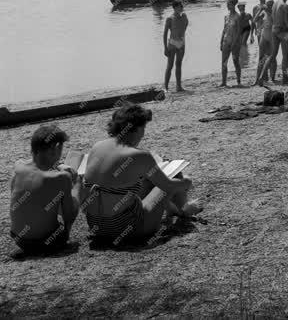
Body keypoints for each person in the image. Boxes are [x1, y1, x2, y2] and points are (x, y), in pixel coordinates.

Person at [81, 102, 201, 245]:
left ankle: (174, 210)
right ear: (136, 129)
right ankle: (184, 210)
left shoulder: (97, 146)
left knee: (138, 183)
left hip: (97, 227)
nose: (143, 134)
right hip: (130, 229)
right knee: (175, 177)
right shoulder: (139, 156)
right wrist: (186, 182)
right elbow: (167, 186)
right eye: (143, 128)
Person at [9, 124, 81, 253]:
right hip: (46, 242)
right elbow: (69, 215)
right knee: (75, 189)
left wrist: (58, 165)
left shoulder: (18, 166)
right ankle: (65, 240)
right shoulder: (62, 178)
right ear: (56, 148)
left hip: (19, 239)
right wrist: (76, 183)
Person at [163, 0, 189, 92]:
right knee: (169, 66)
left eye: (182, 6)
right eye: (180, 6)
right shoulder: (170, 18)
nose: (182, 8)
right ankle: (165, 87)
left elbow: (185, 27)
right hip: (172, 43)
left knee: (179, 65)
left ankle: (179, 86)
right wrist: (165, 48)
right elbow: (165, 34)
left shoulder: (184, 16)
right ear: (175, 7)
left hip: (181, 43)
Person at [219, 0, 242, 87]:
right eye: (227, 4)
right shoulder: (226, 16)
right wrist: (221, 42)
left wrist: (234, 43)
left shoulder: (238, 16)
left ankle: (239, 81)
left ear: (233, 5)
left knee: (235, 61)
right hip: (226, 41)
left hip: (235, 42)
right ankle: (224, 82)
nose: (227, 5)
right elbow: (224, 30)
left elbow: (239, 31)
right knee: (224, 62)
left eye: (229, 4)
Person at [254, 0, 274, 85]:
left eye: (271, 3)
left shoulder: (274, 11)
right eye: (268, 3)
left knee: (272, 57)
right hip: (264, 35)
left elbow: (273, 17)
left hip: (272, 37)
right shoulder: (264, 11)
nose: (269, 5)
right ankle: (258, 78)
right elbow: (254, 20)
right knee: (261, 58)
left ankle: (272, 78)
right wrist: (260, 10)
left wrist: (265, 9)